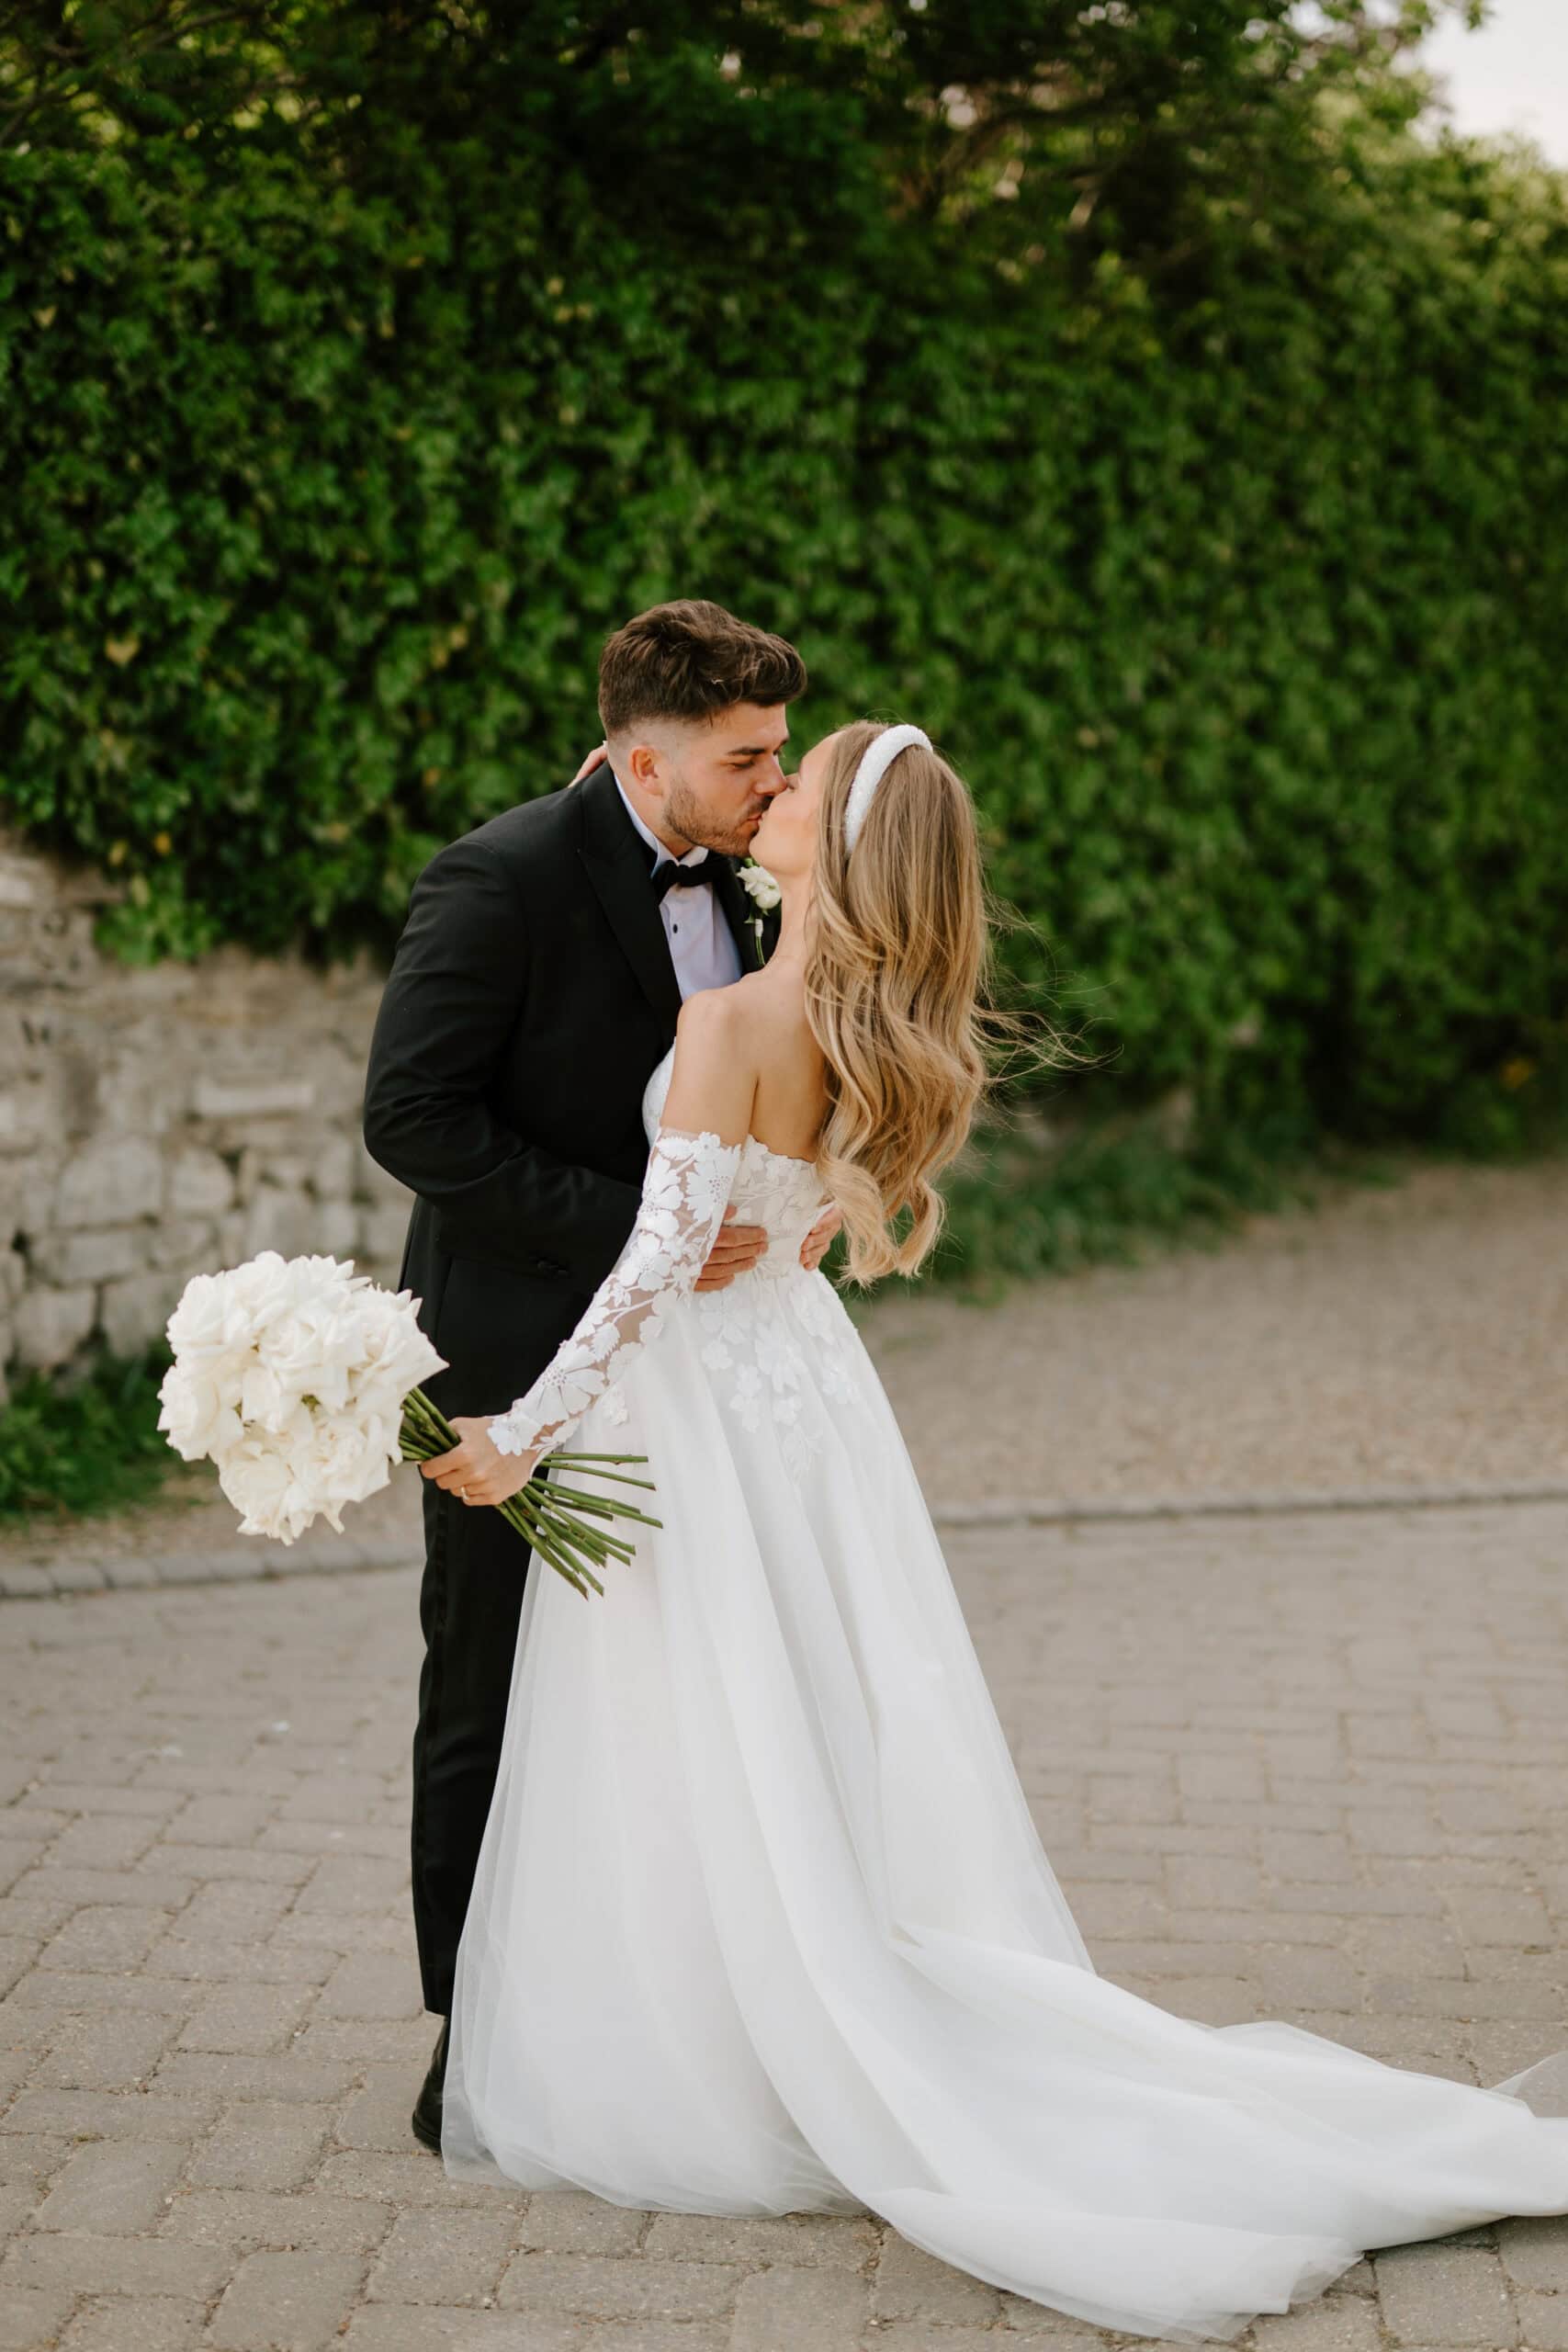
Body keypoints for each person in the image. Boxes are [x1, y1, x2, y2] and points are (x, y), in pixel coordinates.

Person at [415, 717, 1568, 2344]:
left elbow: (651, 1270)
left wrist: (515, 1434)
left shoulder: (732, 1015)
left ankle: (732, 2039)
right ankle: (767, 1994)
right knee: (780, 1714)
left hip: (699, 1411)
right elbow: (790, 1231)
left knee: (703, 1717)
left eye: (800, 781)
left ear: (837, 847)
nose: (774, 791)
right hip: (800, 1404)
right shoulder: (856, 1026)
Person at [360, 601, 840, 2156]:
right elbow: (413, 1117)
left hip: (688, 1376)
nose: (775, 785)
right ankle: (471, 2038)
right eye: (744, 758)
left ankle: (664, 2019)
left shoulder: (755, 884)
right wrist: (644, 1230)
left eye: (779, 753)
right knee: (490, 1686)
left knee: (660, 1698)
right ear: (642, 759)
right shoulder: (498, 877)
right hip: (517, 1347)